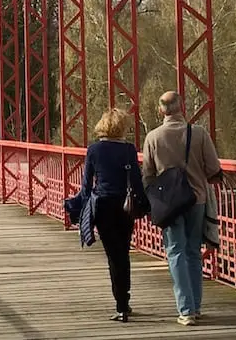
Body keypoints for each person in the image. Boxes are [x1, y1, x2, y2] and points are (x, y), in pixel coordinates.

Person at [142, 91, 222, 326]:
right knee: (193, 251)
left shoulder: (153, 137)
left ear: (161, 110)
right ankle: (195, 306)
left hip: (169, 204)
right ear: (182, 107)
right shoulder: (198, 133)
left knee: (175, 251)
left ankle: (185, 310)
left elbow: (147, 174)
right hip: (196, 199)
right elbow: (214, 168)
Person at [83, 107, 147, 322]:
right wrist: (145, 204)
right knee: (123, 252)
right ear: (122, 127)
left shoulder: (93, 150)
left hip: (103, 205)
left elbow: (86, 184)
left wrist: (82, 209)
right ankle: (124, 302)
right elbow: (136, 180)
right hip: (125, 206)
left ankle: (121, 305)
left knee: (113, 254)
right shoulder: (129, 150)